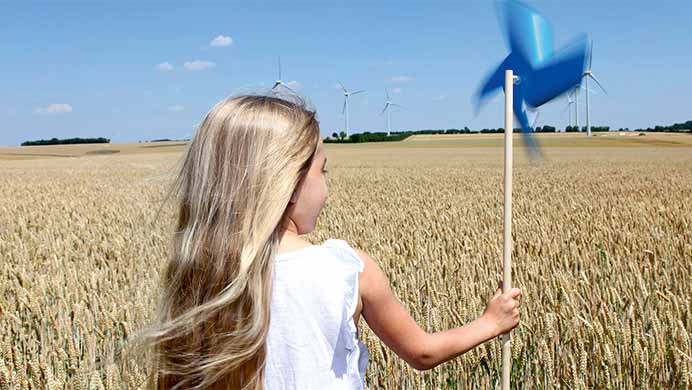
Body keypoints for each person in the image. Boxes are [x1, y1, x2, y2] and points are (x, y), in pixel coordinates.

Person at [138, 92, 522, 390]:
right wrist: (492, 322)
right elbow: (422, 352)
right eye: (323, 170)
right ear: (287, 183)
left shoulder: (206, 271)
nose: (327, 188)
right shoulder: (347, 269)